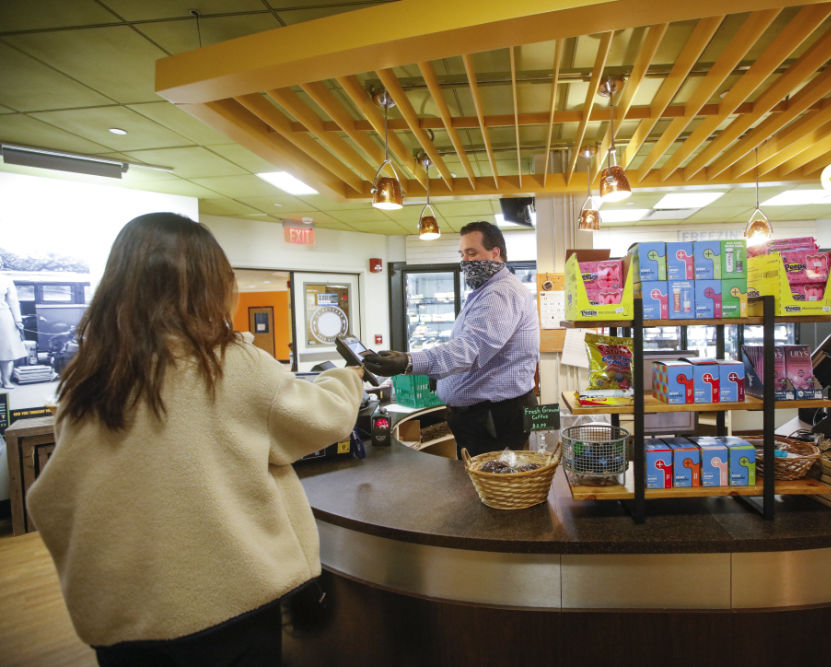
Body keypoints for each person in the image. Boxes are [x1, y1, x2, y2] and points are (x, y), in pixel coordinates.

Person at [26, 213, 364, 666]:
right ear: (210, 286)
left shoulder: (88, 377)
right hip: (227, 605)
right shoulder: (229, 364)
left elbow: (59, 496)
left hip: (122, 619)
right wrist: (348, 377)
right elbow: (327, 419)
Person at [365, 221, 539, 457]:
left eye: (472, 252)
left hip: (495, 419)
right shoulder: (486, 291)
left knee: (492, 487)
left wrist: (408, 361)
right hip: (487, 417)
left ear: (495, 253)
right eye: (462, 254)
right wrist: (442, 374)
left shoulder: (499, 293)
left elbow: (470, 349)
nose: (465, 261)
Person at [0, 257, 27, 389]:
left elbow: (13, 302)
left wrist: (18, 320)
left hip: (4, 317)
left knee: (6, 351)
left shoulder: (6, 280)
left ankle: (6, 381)